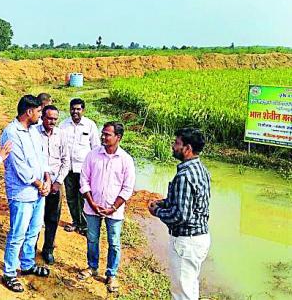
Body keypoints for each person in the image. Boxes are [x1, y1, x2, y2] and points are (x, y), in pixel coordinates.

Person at [149, 128, 211, 300]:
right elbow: (191, 202)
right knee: (190, 286)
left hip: (186, 242)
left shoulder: (184, 175)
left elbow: (180, 215)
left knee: (181, 292)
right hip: (199, 237)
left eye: (177, 143)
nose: (173, 146)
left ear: (187, 148)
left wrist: (157, 211)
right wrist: (164, 202)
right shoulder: (201, 169)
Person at [0, 95, 51, 293]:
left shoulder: (34, 131)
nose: (41, 114)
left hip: (39, 191)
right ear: (29, 112)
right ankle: (9, 272)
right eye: (39, 111)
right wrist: (40, 184)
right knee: (17, 233)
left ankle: (27, 263)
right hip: (22, 193)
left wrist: (47, 179)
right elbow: (20, 168)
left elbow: (42, 157)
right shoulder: (11, 133)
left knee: (34, 230)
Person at [78, 122, 135, 293]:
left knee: (114, 243)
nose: (103, 137)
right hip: (92, 207)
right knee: (92, 238)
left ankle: (112, 274)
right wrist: (91, 202)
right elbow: (84, 180)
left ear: (118, 137)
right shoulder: (92, 155)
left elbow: (127, 187)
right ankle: (92, 267)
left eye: (107, 134)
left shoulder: (126, 159)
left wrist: (113, 207)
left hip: (114, 210)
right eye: (103, 133)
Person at [60, 98, 100, 236]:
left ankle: (85, 225)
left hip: (84, 169)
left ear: (83, 110)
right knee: (71, 197)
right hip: (68, 168)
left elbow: (95, 147)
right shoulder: (63, 125)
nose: (75, 111)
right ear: (69, 109)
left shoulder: (90, 125)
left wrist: (95, 168)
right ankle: (76, 222)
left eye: (78, 109)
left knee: (84, 197)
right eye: (73, 109)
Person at [36, 105, 70, 264]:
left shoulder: (61, 135)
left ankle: (48, 249)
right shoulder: (34, 133)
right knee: (34, 218)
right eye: (49, 118)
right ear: (42, 117)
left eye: (55, 119)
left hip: (56, 183)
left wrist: (58, 182)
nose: (52, 121)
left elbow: (66, 161)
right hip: (38, 184)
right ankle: (31, 248)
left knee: (52, 218)